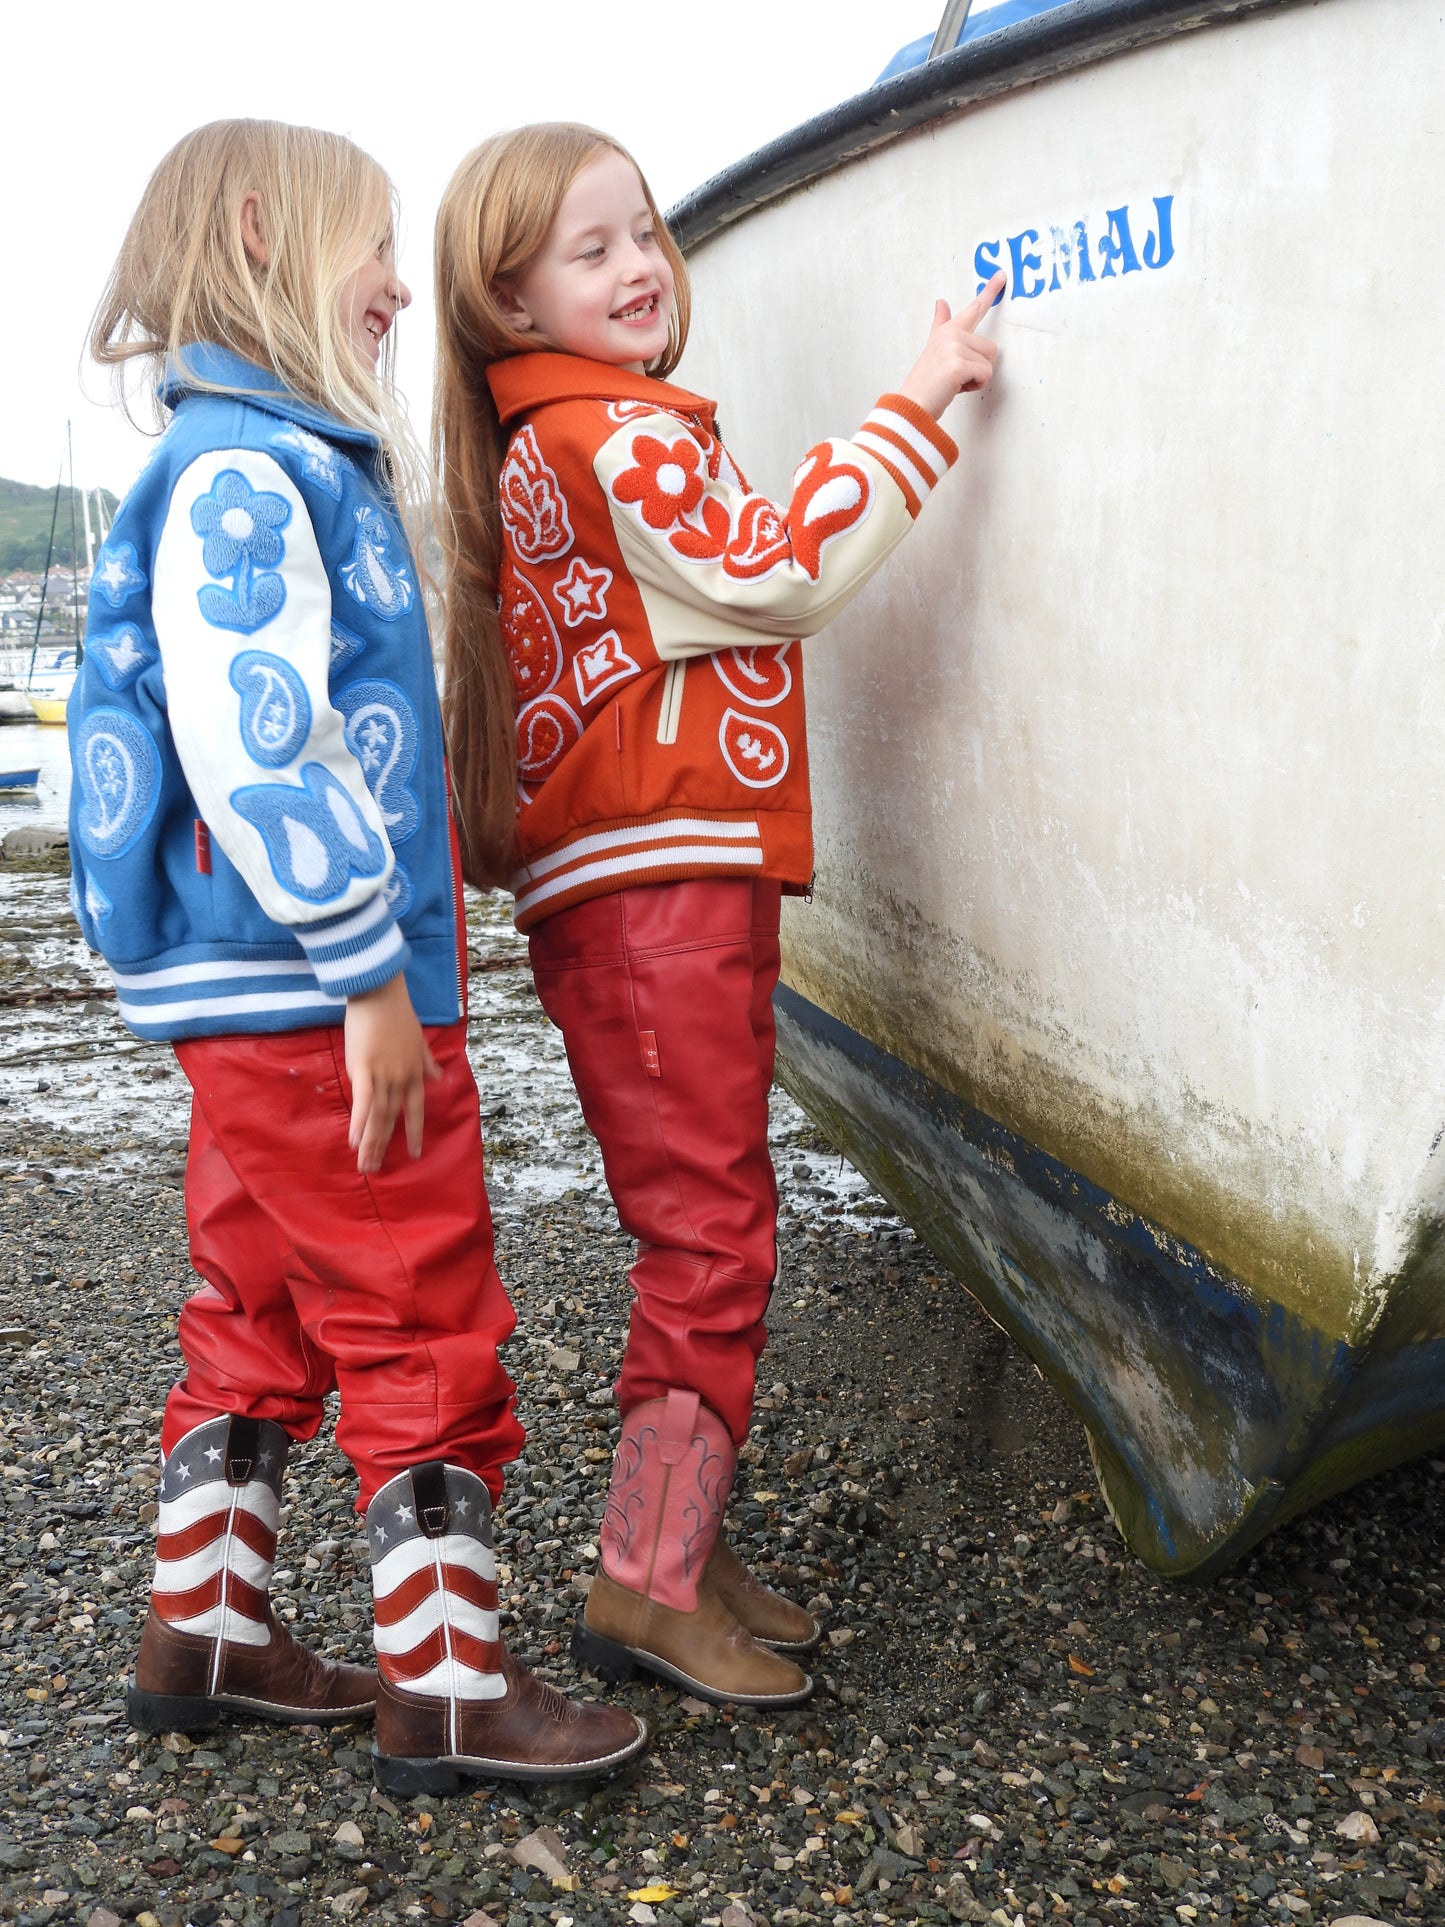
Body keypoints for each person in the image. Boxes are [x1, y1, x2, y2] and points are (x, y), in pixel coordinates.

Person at [69, 119, 647, 1794]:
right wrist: (371, 975)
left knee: (254, 1298)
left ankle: (207, 1633)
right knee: (415, 1304)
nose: (397, 283)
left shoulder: (233, 454)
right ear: (264, 233)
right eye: (374, 245)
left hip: (244, 994)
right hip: (317, 986)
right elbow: (262, 736)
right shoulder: (257, 469)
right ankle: (448, 1689)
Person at [433, 121, 1004, 1709]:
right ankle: (645, 1581)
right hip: (656, 895)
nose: (638, 266)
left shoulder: (565, 435)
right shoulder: (610, 438)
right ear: (509, 300)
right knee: (709, 1237)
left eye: (644, 233)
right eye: (592, 248)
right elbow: (777, 571)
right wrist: (918, 397)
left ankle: (676, 1545)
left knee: (709, 1224)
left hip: (661, 882)